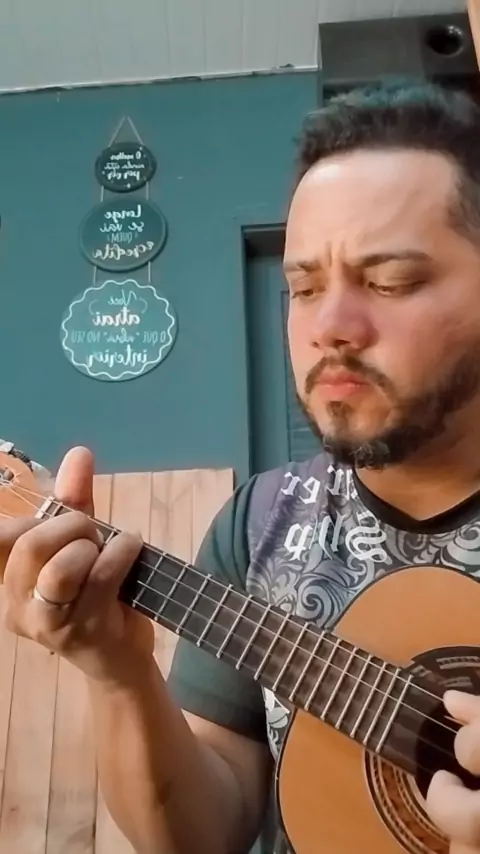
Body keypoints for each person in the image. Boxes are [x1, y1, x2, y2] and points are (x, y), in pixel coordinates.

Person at [2, 79, 480, 854]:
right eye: (303, 288)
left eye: (390, 281)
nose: (329, 326)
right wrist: (118, 672)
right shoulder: (259, 525)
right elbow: (201, 834)